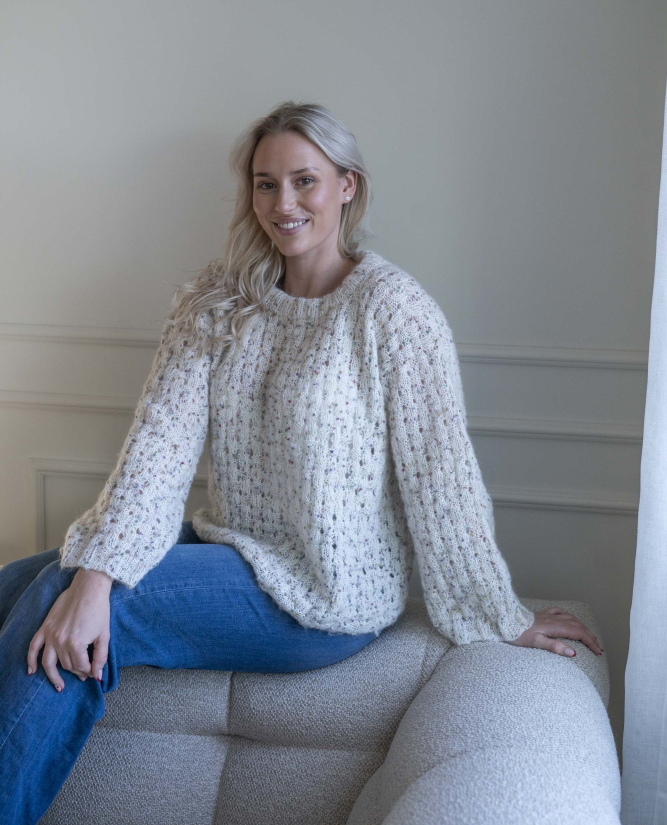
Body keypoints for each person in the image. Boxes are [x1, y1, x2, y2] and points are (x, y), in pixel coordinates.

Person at [0, 100, 602, 823]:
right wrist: (97, 569)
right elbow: (155, 453)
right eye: (265, 184)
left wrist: (498, 614)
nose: (283, 203)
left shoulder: (392, 312)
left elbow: (440, 480)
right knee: (18, 584)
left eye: (304, 181)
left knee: (71, 599)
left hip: (323, 597)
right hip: (232, 550)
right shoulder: (216, 301)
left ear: (347, 186)